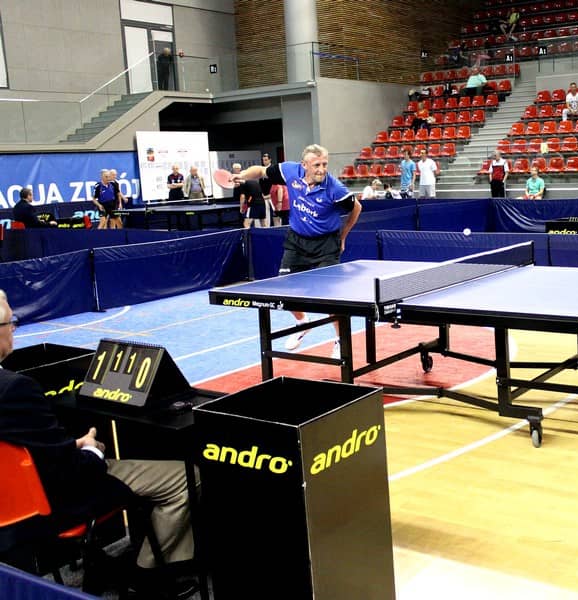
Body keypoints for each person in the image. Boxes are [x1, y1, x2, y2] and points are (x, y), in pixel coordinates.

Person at [0, 289, 197, 584]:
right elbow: (71, 471)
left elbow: (22, 450)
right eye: (10, 322)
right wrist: (92, 450)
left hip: (10, 500)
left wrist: (69, 446)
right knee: (187, 478)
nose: (14, 329)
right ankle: (147, 577)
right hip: (54, 502)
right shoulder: (14, 389)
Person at [232, 144, 362, 357]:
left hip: (326, 244)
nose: (322, 169)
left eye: (324, 164)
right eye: (317, 165)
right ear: (304, 165)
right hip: (297, 240)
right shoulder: (290, 171)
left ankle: (340, 340)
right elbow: (261, 171)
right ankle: (303, 322)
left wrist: (343, 236)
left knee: (331, 297)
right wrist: (241, 176)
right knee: (286, 288)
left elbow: (357, 207)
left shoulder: (335, 188)